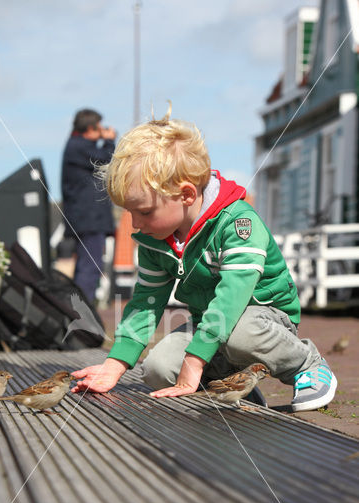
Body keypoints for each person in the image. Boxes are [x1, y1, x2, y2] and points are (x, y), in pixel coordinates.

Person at [71, 105, 337, 412]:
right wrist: (115, 365)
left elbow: (232, 297)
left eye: (143, 211)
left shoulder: (237, 222)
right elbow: (146, 301)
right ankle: (236, 387)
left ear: (185, 195)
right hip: (210, 325)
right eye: (129, 212)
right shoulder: (155, 239)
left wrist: (195, 360)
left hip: (261, 317)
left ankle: (307, 365)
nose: (135, 223)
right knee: (158, 368)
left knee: (240, 334)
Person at [61, 108, 116, 303]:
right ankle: (82, 314)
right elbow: (105, 160)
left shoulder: (75, 146)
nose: (102, 130)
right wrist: (109, 140)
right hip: (89, 220)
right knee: (90, 267)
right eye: (99, 128)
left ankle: (77, 310)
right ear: (90, 129)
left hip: (86, 219)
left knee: (86, 266)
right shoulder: (79, 146)